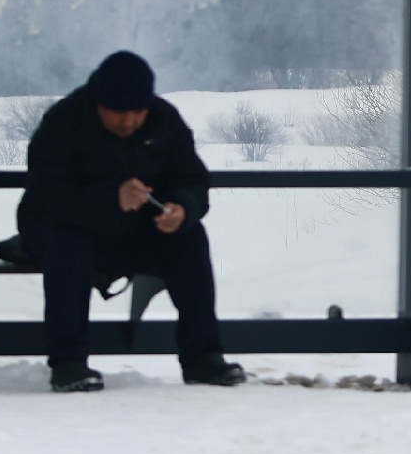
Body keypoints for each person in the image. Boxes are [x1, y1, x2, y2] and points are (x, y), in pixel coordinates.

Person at [15, 50, 247, 394]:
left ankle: (203, 358)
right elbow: (47, 196)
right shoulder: (63, 121)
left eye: (137, 112)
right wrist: (111, 199)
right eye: (118, 113)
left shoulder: (165, 120)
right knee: (69, 246)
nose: (128, 122)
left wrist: (182, 208)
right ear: (98, 103)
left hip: (138, 231)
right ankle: (68, 363)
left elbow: (192, 178)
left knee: (191, 239)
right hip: (65, 228)